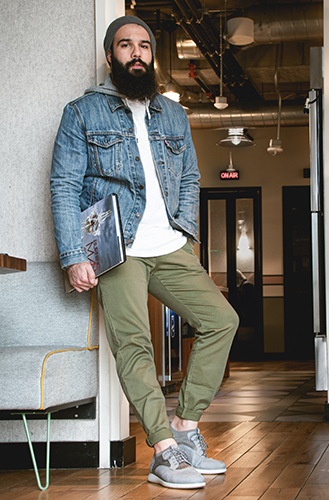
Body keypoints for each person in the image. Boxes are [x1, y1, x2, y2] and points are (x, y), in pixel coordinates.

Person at [50, 15, 239, 490]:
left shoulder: (174, 114)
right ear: (111, 55)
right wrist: (74, 254)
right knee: (135, 345)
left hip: (169, 242)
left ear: (153, 55)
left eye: (144, 46)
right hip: (116, 245)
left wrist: (188, 237)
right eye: (124, 45)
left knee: (222, 320)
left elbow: (192, 178)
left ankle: (186, 426)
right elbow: (64, 185)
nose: (136, 53)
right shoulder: (82, 113)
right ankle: (164, 450)